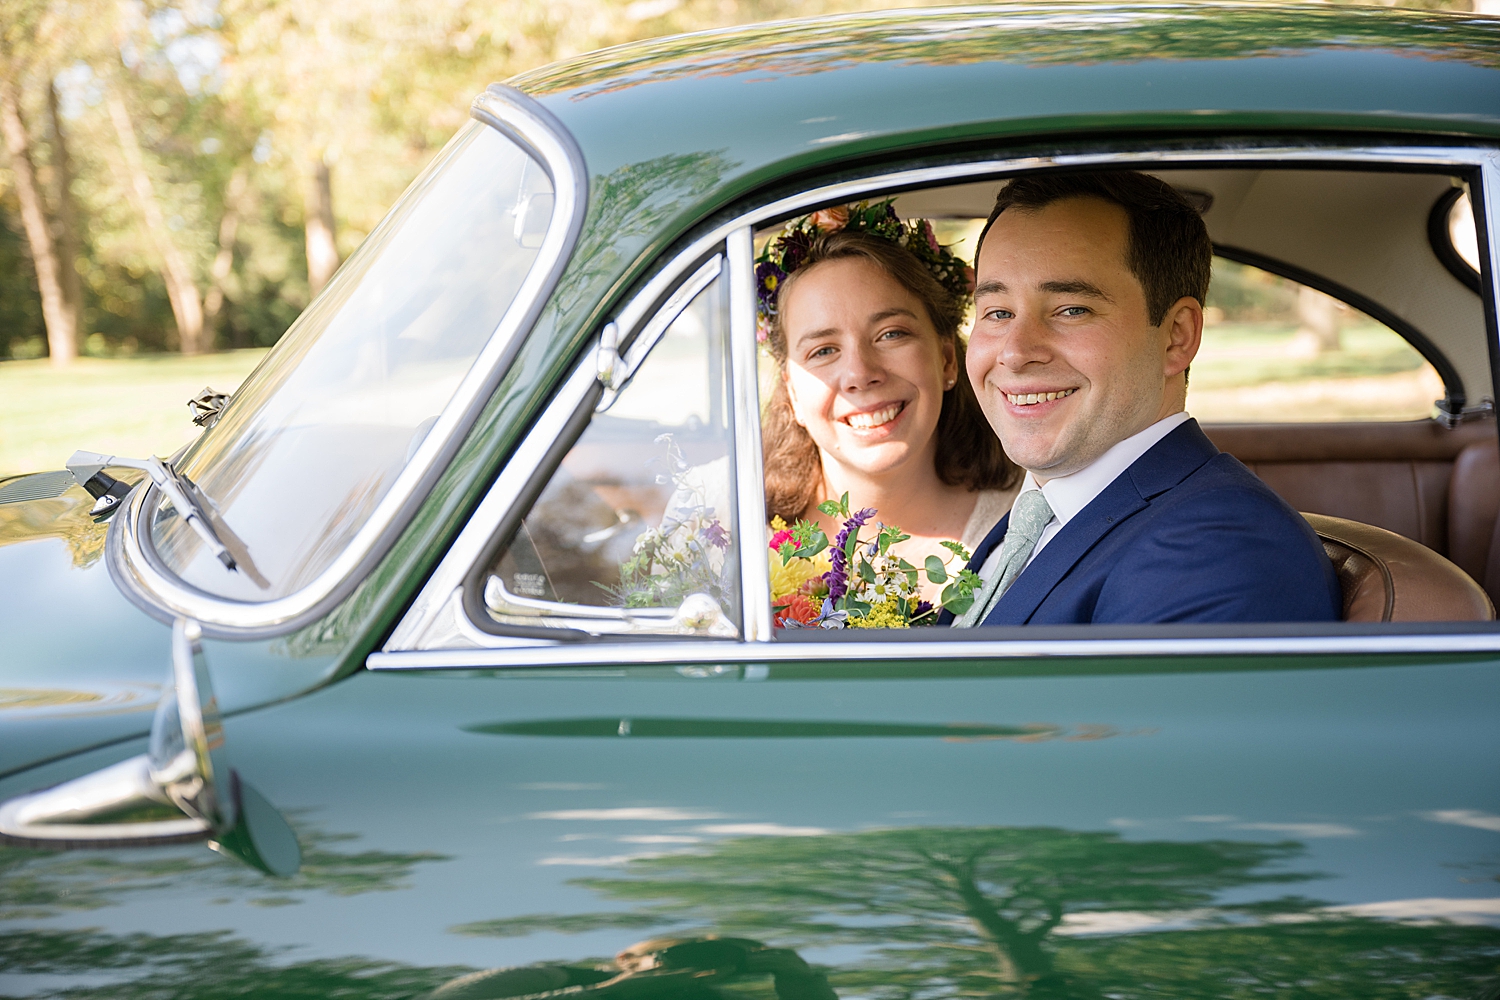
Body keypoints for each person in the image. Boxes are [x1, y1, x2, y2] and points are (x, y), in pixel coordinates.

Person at [948, 171, 1341, 626]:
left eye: (1072, 310)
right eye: (997, 312)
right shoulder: (1042, 512)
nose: (1015, 353)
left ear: (1176, 337)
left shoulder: (1215, 551)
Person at [759, 204, 1020, 601]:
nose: (861, 373)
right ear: (792, 390)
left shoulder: (1026, 526)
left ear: (947, 359)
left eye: (891, 334)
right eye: (824, 351)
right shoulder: (726, 516)